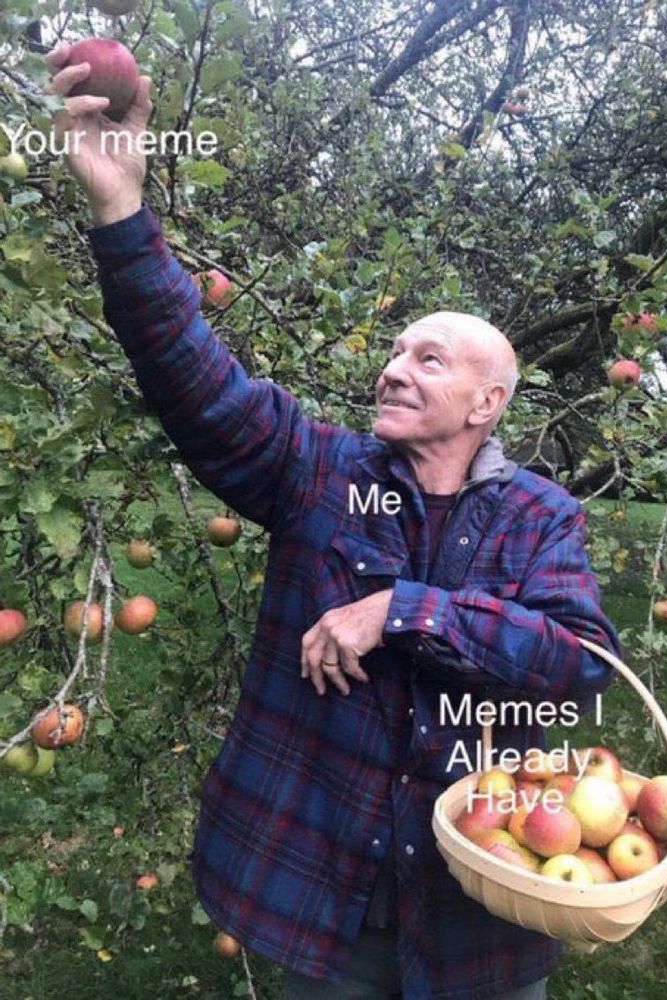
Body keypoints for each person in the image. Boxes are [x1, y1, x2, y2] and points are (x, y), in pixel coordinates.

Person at [47, 49, 622, 1000]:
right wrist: (120, 206)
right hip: (322, 893)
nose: (395, 369)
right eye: (394, 352)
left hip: (483, 908)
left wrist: (403, 608)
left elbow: (581, 663)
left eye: (428, 359)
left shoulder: (539, 514)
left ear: (487, 403)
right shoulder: (314, 468)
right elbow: (191, 374)